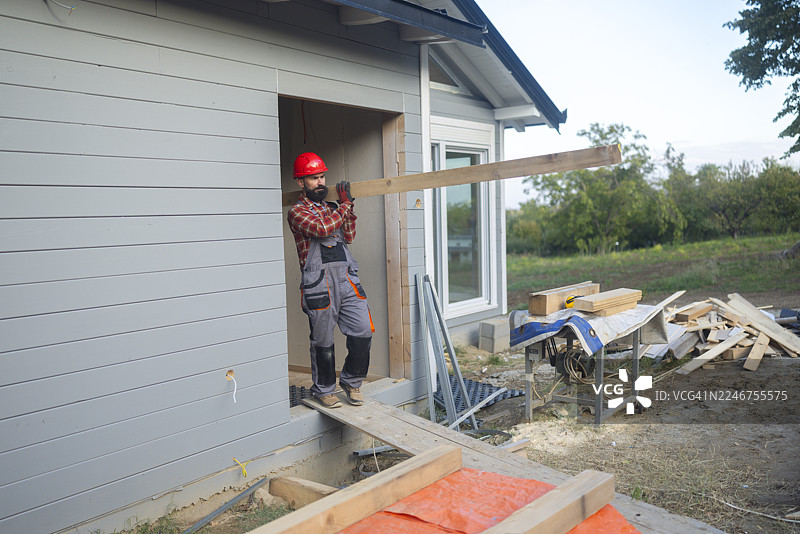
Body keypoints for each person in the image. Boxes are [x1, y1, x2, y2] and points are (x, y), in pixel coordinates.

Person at [287, 152, 374, 408]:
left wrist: (349, 208)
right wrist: (345, 207)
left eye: (322, 176)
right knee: (323, 342)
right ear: (301, 183)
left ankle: (351, 381)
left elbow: (348, 236)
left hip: (346, 280)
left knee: (363, 331)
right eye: (313, 178)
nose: (320, 182)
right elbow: (322, 230)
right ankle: (324, 389)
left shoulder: (332, 209)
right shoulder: (297, 213)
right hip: (319, 284)